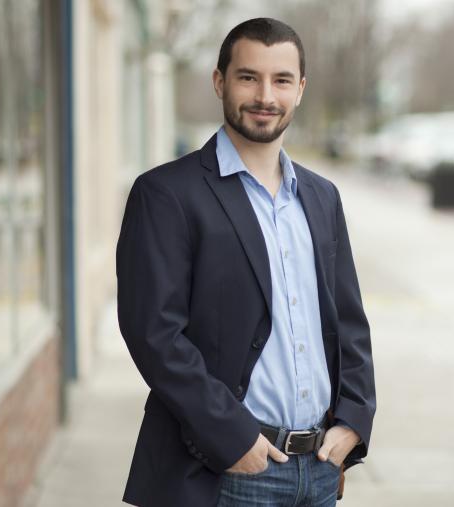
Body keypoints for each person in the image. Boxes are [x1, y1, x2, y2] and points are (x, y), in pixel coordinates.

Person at [116, 17, 375, 507]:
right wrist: (232, 439)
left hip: (319, 469)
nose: (265, 96)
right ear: (220, 82)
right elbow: (154, 334)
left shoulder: (322, 197)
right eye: (248, 77)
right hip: (228, 469)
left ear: (300, 90)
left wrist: (353, 422)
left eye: (281, 80)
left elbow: (347, 322)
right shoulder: (166, 194)